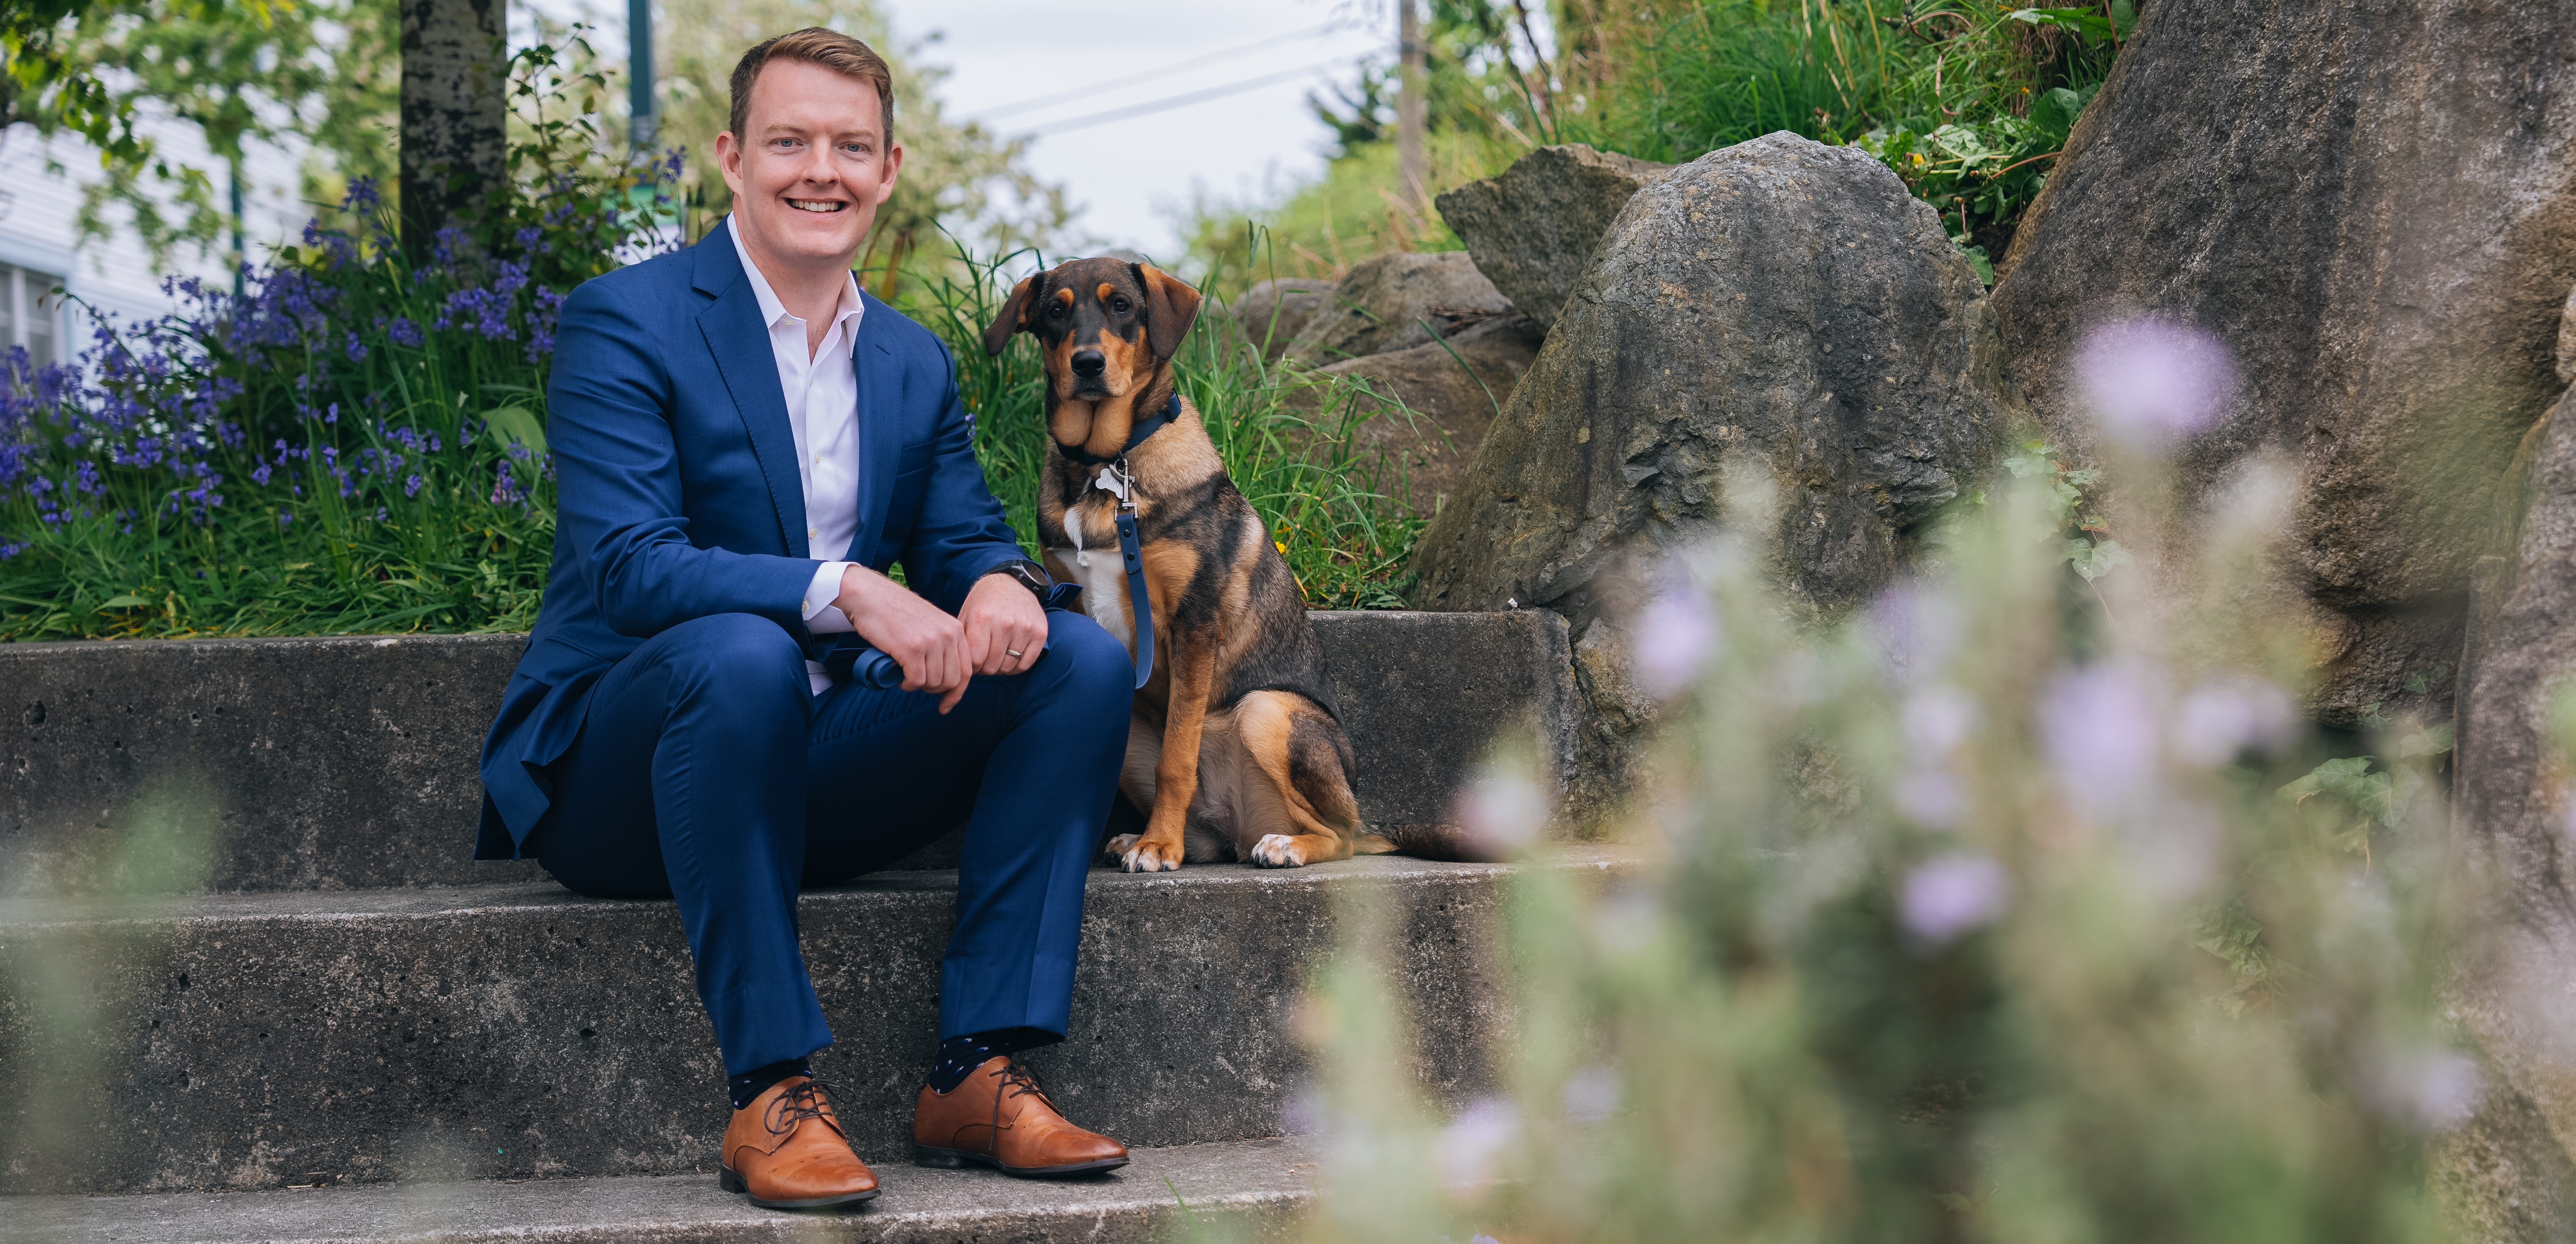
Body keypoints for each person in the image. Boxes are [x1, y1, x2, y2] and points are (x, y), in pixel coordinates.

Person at [473, 27, 1137, 1211]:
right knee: (742, 651)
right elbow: (629, 569)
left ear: (889, 170)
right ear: (733, 157)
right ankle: (773, 1092)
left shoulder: (911, 362)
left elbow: (966, 534)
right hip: (623, 774)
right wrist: (846, 587)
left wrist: (990, 581)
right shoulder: (626, 320)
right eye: (789, 141)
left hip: (813, 767)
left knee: (1074, 659)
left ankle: (976, 1070)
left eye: (850, 145)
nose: (819, 169)